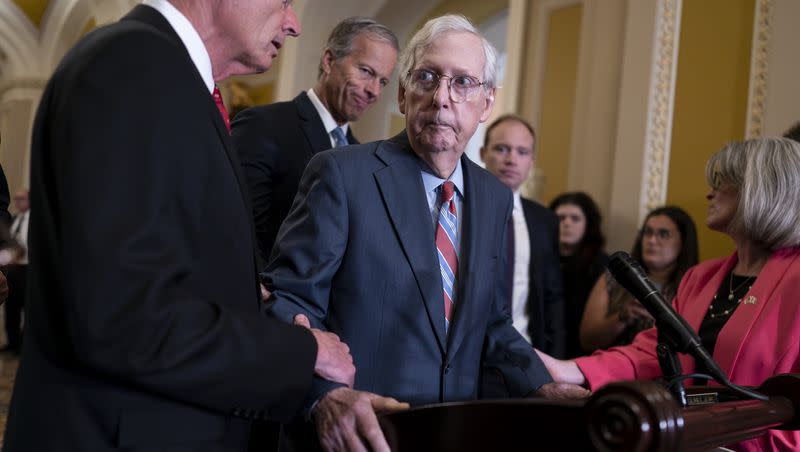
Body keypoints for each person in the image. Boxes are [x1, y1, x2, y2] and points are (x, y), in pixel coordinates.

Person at [3, 1, 366, 450]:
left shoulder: (172, 77)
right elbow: (123, 315)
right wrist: (304, 353)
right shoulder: (131, 65)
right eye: (285, 1)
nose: (293, 24)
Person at [264, 14, 587, 451]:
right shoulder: (343, 174)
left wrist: (540, 385)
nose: (441, 98)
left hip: (453, 433)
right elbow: (290, 302)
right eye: (427, 77)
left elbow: (489, 320)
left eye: (463, 83)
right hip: (357, 432)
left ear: (487, 103)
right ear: (402, 93)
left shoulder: (493, 197)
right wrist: (323, 398)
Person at [541, 137, 800, 451]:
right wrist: (569, 370)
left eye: (722, 182)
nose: (708, 192)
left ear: (763, 190)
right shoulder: (701, 277)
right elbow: (653, 352)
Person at [232, 17, 399, 266]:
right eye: (366, 71)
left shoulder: (363, 159)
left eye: (382, 81)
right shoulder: (262, 126)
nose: (374, 91)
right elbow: (235, 224)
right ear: (329, 61)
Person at [479, 114, 565, 357]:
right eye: (501, 149)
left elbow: (552, 297)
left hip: (526, 353)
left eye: (522, 152)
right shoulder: (460, 208)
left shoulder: (544, 220)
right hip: (468, 356)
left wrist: (555, 360)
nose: (511, 159)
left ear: (532, 161)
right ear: (484, 153)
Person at [579, 206, 698, 352]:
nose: (652, 240)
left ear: (683, 242)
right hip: (612, 368)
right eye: (647, 233)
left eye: (663, 234)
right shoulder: (613, 277)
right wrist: (621, 318)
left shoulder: (693, 287)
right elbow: (587, 340)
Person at [549, 192, 608, 357]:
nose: (567, 223)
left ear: (588, 224)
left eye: (575, 218)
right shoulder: (539, 259)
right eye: (561, 218)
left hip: (584, 352)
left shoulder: (602, 264)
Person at [3, 189, 30, 354]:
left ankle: (25, 345)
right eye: (16, 199)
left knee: (28, 309)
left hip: (29, 269)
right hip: (12, 269)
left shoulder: (38, 220)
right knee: (11, 308)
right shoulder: (12, 219)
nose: (18, 202)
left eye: (21, 199)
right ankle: (12, 343)